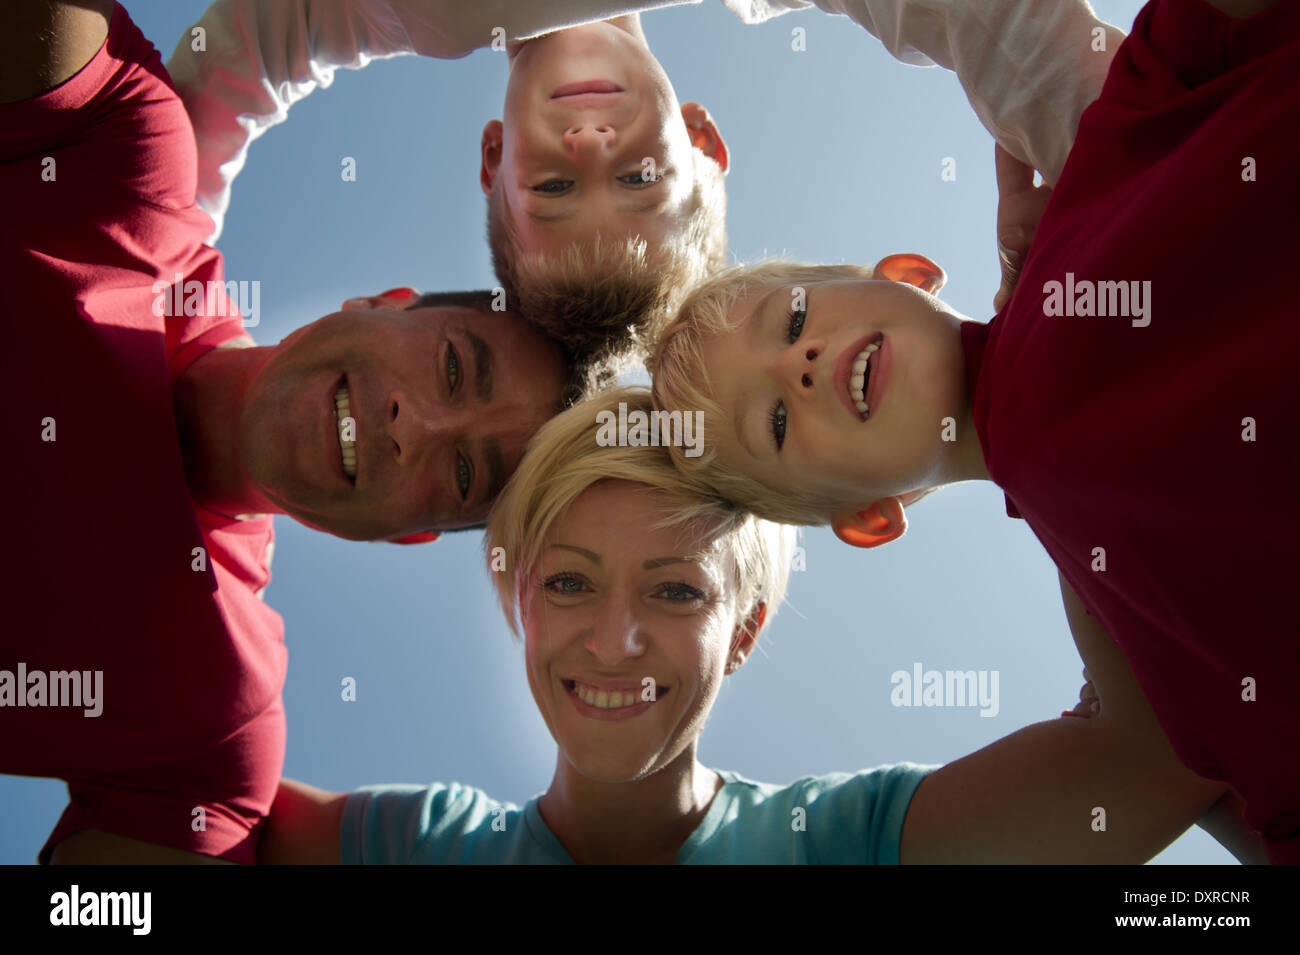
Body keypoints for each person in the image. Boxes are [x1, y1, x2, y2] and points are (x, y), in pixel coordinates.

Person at [649, 0, 1300, 861]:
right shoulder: (1126, 638)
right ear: (871, 515)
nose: (799, 364)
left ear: (907, 272)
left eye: (794, 315)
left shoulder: (1109, 151)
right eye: (773, 422)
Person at [0, 1, 597, 864]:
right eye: (455, 369)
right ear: (379, 303)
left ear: (407, 532)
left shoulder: (215, 723)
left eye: (467, 470)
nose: (415, 422)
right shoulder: (126, 159)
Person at [257, 387, 1255, 864]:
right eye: (567, 584)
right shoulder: (408, 847)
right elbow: (163, 809)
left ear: (745, 629)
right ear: (514, 598)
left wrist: (1016, 394)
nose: (614, 640)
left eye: (676, 591)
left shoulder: (851, 841)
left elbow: (1164, 746)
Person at [167, 0, 1123, 357]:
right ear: (702, 137)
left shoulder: (418, 14)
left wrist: (170, 327)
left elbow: (219, 79)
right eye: (640, 178)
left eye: (551, 191)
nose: (588, 147)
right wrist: (1130, 167)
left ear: (495, 158)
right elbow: (986, 21)